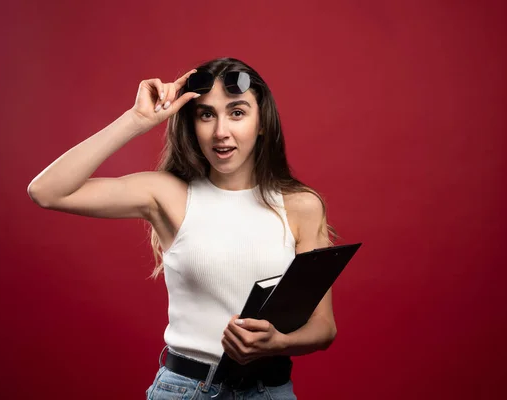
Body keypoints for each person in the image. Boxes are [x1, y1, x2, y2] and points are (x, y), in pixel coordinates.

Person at [28, 57, 338, 399]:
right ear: (192, 124)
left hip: (270, 390)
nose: (221, 132)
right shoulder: (167, 195)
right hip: (186, 390)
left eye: (237, 113)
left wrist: (279, 342)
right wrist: (137, 120)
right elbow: (47, 191)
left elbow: (323, 328)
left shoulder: (302, 206)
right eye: (206, 114)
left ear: (261, 122)